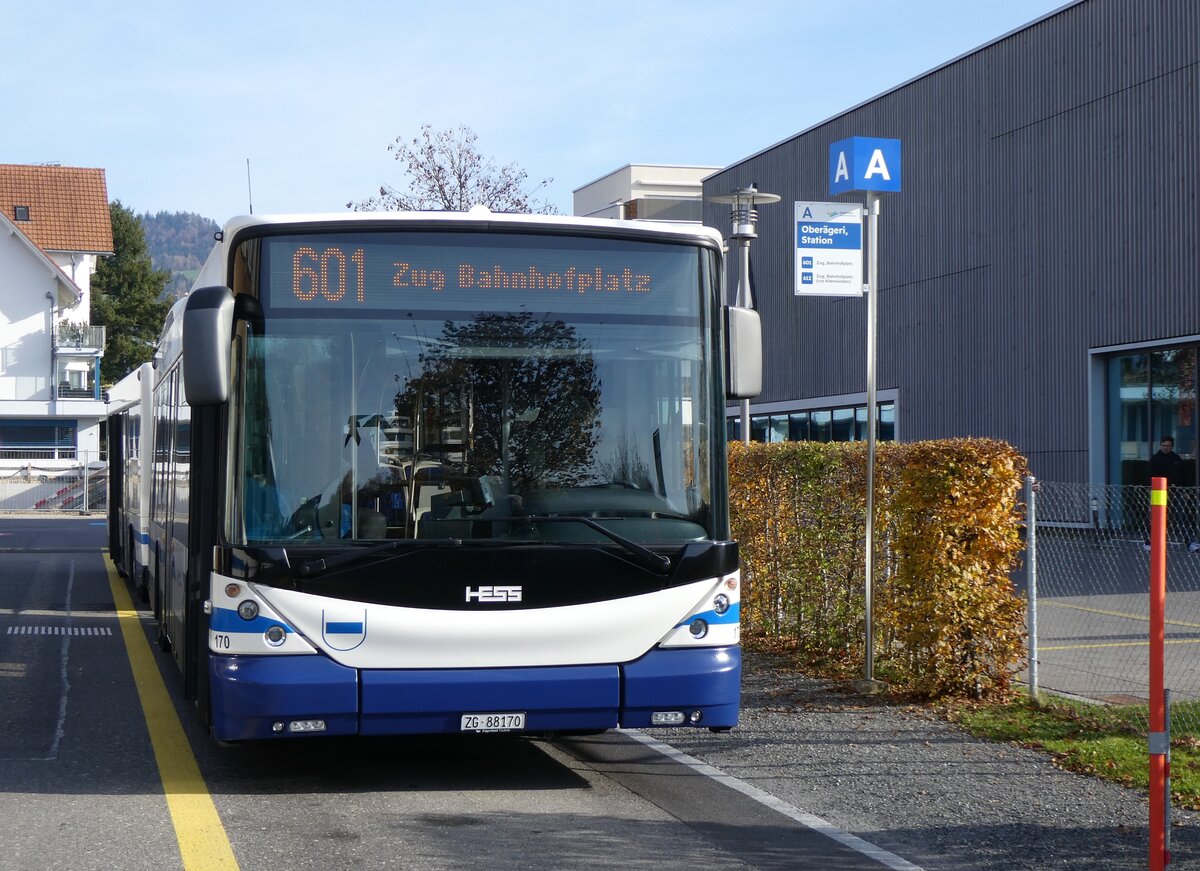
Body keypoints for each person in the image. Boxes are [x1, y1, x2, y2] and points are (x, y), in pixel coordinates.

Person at [1147, 436, 1199, 552]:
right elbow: (1150, 476)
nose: (1165, 448)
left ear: (1172, 446)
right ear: (1161, 445)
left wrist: (1184, 491)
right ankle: (1149, 542)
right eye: (1164, 445)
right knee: (1156, 517)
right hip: (1159, 492)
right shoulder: (1155, 459)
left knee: (1182, 517)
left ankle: (1190, 543)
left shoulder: (1177, 459)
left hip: (1176, 492)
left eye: (1168, 446)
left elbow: (1183, 476)